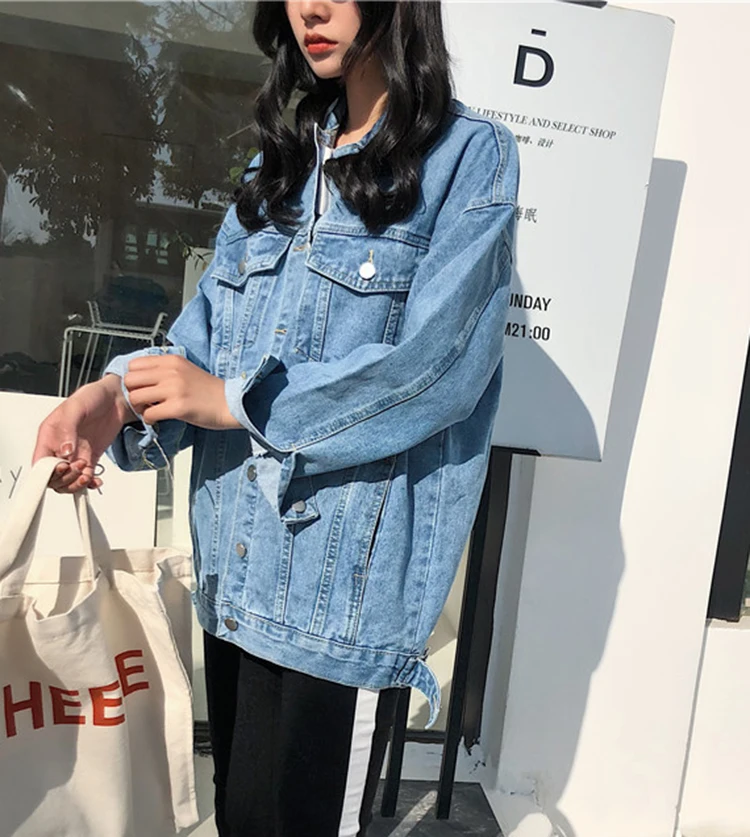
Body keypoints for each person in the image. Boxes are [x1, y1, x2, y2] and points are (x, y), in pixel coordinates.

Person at [33, 1, 520, 834]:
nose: (310, 9)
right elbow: (203, 341)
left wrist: (234, 401)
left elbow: (436, 370)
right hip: (233, 574)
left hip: (338, 605)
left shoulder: (466, 159)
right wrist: (110, 398)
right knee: (240, 818)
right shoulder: (280, 167)